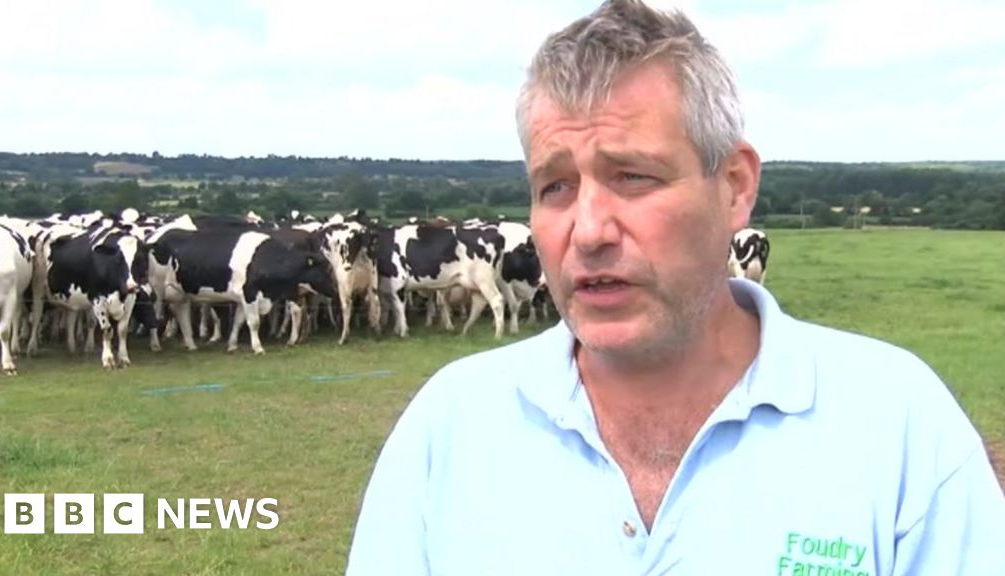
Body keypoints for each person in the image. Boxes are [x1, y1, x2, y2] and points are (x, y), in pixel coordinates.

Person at [346, 1, 1005, 574]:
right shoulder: (449, 428)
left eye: (633, 176)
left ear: (736, 186)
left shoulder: (900, 425)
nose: (590, 229)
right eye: (555, 186)